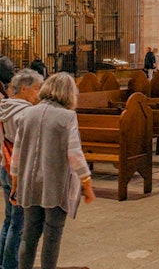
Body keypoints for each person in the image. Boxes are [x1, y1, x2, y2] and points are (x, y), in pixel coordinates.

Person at [11, 72, 94, 269]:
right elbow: (75, 154)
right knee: (52, 236)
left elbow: (17, 153)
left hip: (29, 185)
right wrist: (87, 184)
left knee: (29, 235)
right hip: (55, 186)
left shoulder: (28, 113)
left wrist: (16, 184)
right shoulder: (67, 117)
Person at [0, 70, 42, 269]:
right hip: (20, 173)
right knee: (19, 225)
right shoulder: (27, 114)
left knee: (9, 220)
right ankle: (10, 265)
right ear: (24, 88)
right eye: (35, 88)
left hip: (4, 166)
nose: (38, 93)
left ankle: (2, 261)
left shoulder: (4, 107)